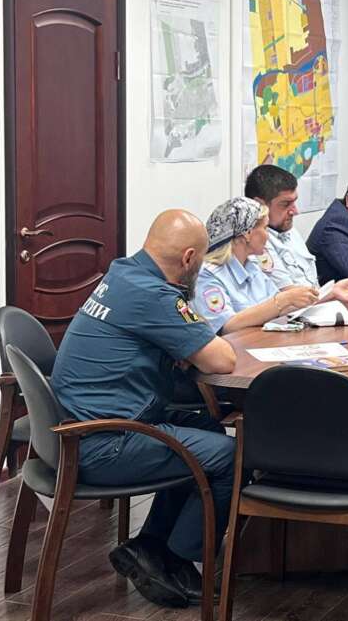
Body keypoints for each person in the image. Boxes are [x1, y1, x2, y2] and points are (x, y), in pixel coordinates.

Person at [52, 210, 238, 608]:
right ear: (189, 258)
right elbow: (222, 360)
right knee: (228, 455)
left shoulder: (123, 273)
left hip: (81, 428)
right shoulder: (154, 295)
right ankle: (177, 558)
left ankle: (152, 546)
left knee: (208, 428)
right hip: (103, 443)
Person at [190, 197, 332, 334]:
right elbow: (226, 326)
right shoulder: (207, 274)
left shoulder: (252, 266)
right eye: (265, 228)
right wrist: (284, 300)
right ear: (247, 233)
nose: (268, 236)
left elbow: (278, 308)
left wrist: (313, 298)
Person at [244, 164, 348, 298]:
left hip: (318, 305)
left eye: (294, 202)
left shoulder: (288, 230)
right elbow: (290, 296)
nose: (295, 211)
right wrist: (332, 292)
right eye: (285, 204)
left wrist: (332, 291)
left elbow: (311, 286)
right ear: (259, 205)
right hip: (297, 310)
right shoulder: (257, 243)